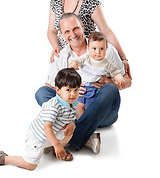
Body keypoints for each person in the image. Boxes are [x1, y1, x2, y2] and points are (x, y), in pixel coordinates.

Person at [35, 13, 132, 153]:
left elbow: (128, 80)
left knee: (110, 89)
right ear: (62, 35)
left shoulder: (105, 49)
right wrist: (69, 91)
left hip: (102, 112)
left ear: (83, 27)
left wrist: (111, 82)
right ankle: (87, 136)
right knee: (42, 93)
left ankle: (71, 138)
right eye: (67, 31)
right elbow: (50, 87)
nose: (72, 34)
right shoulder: (62, 56)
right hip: (74, 109)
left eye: (75, 29)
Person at [47, 0, 131, 78]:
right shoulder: (56, 0)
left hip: (89, 55)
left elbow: (106, 31)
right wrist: (56, 47)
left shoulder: (89, 1)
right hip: (66, 56)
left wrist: (123, 58)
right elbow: (51, 31)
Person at [0, 68, 81, 170]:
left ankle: (55, 148)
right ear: (58, 90)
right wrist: (57, 145)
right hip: (39, 136)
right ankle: (4, 158)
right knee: (30, 165)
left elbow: (70, 116)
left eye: (76, 90)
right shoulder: (53, 105)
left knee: (70, 131)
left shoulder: (72, 102)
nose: (73, 94)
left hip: (53, 133)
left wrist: (71, 124)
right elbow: (47, 127)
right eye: (68, 90)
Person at [69, 31, 125, 119]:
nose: (98, 52)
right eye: (94, 48)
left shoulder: (107, 63)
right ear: (88, 48)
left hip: (94, 88)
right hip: (82, 87)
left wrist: (120, 79)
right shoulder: (87, 57)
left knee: (89, 108)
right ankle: (81, 124)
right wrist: (73, 64)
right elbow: (76, 60)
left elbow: (116, 72)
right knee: (79, 107)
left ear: (106, 49)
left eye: (101, 49)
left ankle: (89, 123)